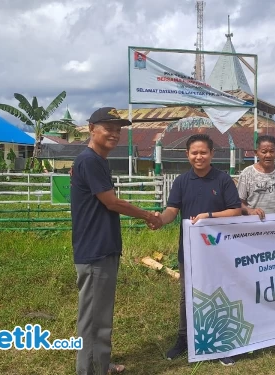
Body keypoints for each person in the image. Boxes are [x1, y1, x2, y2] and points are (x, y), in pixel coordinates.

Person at [70, 107, 162, 375]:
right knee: (92, 317)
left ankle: (99, 363)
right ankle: (89, 370)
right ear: (91, 129)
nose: (114, 133)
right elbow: (110, 202)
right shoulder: (89, 160)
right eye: (107, 128)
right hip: (95, 249)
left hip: (102, 246)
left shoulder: (97, 160)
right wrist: (147, 214)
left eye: (118, 129)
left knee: (100, 313)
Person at [155, 134, 242, 366]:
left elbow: (235, 211)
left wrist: (209, 217)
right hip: (191, 250)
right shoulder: (182, 182)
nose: (199, 156)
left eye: (203, 152)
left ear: (212, 154)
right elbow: (172, 210)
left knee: (220, 293)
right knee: (187, 296)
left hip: (220, 251)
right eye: (194, 153)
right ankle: (183, 339)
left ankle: (222, 342)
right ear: (187, 155)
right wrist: (159, 220)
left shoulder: (223, 180)